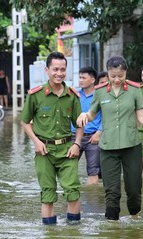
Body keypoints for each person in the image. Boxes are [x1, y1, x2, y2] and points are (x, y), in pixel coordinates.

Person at [77, 56, 143, 221]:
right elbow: (92, 114)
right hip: (108, 148)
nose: (117, 79)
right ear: (108, 73)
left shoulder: (134, 90)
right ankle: (112, 227)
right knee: (112, 192)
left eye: (120, 76)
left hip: (131, 146)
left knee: (134, 190)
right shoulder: (100, 91)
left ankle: (134, 219)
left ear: (126, 73)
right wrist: (84, 115)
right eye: (113, 76)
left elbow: (141, 116)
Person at [20, 52, 83, 225]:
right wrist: (36, 141)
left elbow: (79, 123)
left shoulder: (72, 96)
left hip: (67, 150)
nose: (59, 73)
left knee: (73, 191)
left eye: (63, 70)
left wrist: (77, 144)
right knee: (47, 193)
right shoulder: (36, 95)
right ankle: (50, 236)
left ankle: (73, 234)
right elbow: (25, 122)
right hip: (44, 151)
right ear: (47, 70)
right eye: (55, 69)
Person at [71, 66, 102, 185]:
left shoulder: (99, 96)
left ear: (93, 80)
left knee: (93, 172)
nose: (80, 80)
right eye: (79, 77)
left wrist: (99, 133)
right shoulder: (75, 95)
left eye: (83, 78)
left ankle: (92, 200)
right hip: (74, 137)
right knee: (68, 168)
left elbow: (106, 117)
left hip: (93, 138)